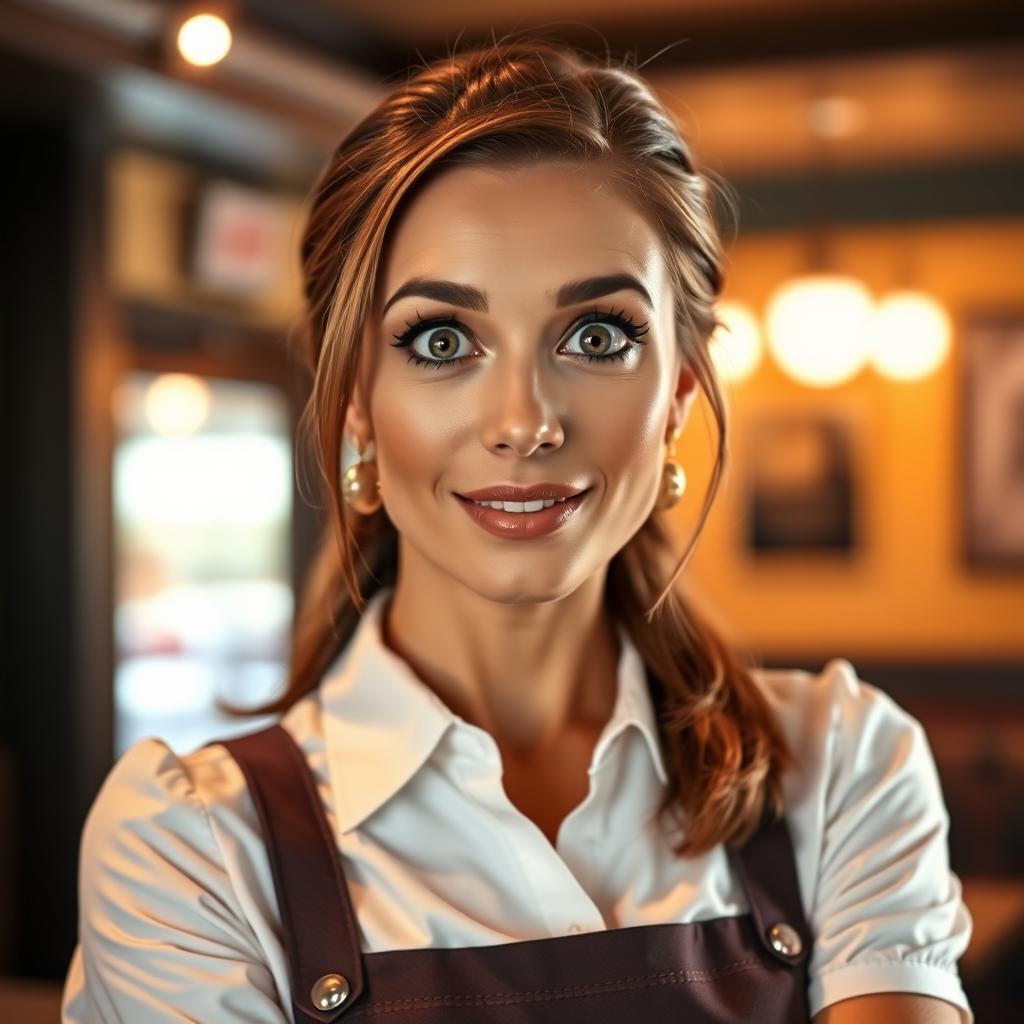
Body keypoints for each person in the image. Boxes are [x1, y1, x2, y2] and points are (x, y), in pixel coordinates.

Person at [61, 36, 973, 1023]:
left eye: (596, 336)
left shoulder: (839, 766)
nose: (522, 420)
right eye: (442, 341)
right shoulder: (192, 846)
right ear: (357, 398)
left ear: (674, 391)